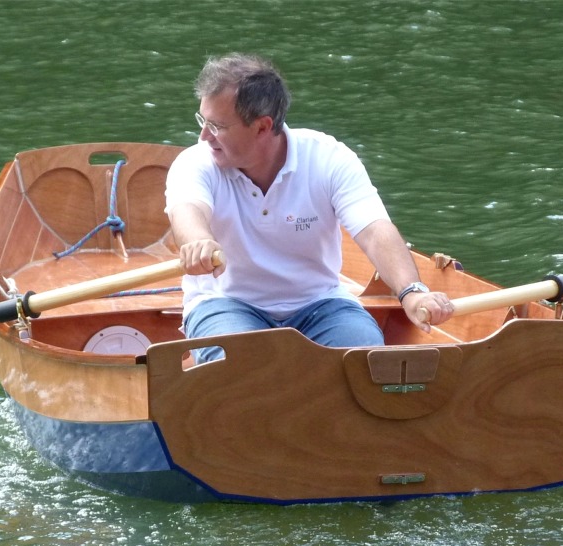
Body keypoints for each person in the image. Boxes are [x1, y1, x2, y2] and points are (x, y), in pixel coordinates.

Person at [165, 53, 453, 363]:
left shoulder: (329, 158)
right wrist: (197, 241)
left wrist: (412, 292)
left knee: (366, 361)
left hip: (319, 304)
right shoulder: (195, 162)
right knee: (241, 368)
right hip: (225, 302)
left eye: (216, 126)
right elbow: (188, 211)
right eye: (203, 121)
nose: (204, 136)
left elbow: (374, 230)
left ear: (263, 127)